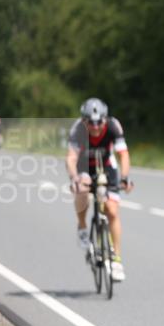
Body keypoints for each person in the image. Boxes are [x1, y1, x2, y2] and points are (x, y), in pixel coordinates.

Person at [65, 98, 133, 282]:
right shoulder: (78, 129)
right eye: (90, 122)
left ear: (105, 119)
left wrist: (125, 178)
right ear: (84, 120)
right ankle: (82, 226)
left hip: (107, 166)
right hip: (84, 167)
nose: (95, 127)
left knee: (112, 210)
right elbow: (71, 158)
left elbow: (123, 155)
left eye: (99, 122)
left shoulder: (113, 126)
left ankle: (117, 260)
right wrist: (74, 179)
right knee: (82, 190)